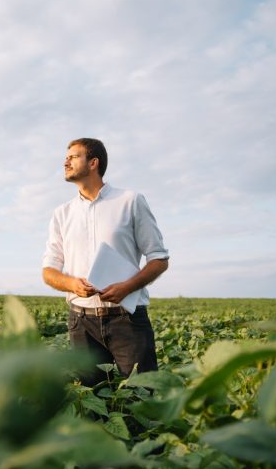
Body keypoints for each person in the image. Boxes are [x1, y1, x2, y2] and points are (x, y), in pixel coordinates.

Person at [42, 138, 169, 386]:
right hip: (81, 323)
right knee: (93, 402)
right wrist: (72, 284)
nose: (65, 161)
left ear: (93, 163)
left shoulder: (131, 201)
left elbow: (159, 258)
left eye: (73, 156)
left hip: (127, 320)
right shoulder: (62, 214)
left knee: (140, 398)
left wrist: (127, 287)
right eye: (66, 156)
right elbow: (49, 271)